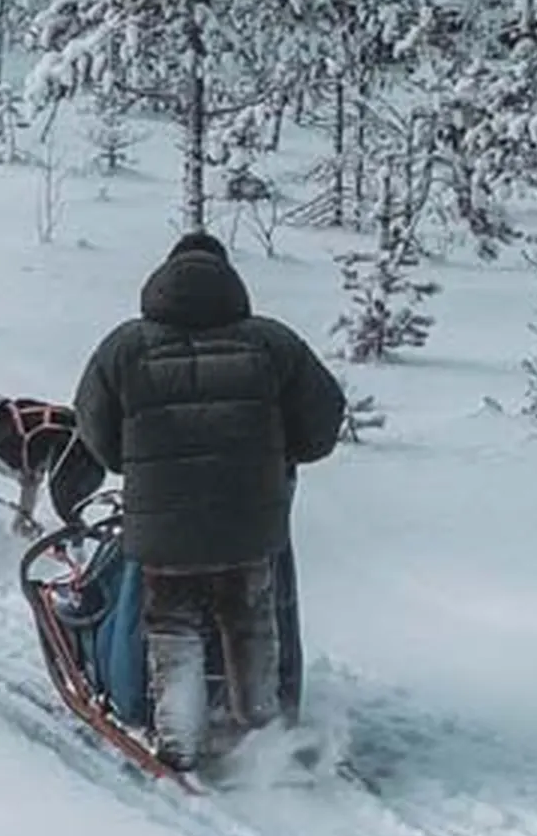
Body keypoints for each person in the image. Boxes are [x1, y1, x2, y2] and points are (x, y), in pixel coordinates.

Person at [72, 230, 344, 771]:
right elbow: (322, 421)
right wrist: (277, 451)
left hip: (163, 528)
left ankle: (180, 741)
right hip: (249, 525)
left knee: (173, 628)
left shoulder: (124, 347)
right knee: (248, 621)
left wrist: (133, 465)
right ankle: (261, 731)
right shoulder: (271, 343)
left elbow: (94, 430)